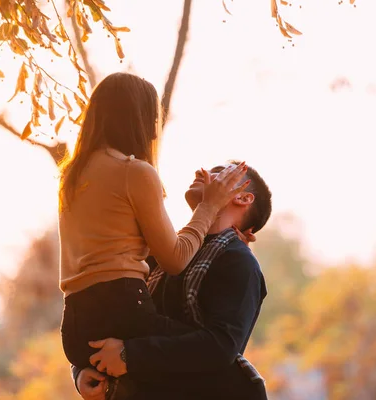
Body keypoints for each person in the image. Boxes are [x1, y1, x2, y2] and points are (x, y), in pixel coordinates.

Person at [58, 72, 250, 376]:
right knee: (220, 358)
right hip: (122, 310)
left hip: (75, 327)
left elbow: (123, 250)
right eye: (151, 120)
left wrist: (80, 370)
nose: (152, 133)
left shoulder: (72, 176)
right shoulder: (134, 171)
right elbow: (174, 260)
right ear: (135, 118)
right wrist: (209, 206)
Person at [73, 161, 272, 400]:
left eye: (219, 173)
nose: (201, 171)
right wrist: (83, 369)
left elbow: (220, 346)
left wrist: (131, 355)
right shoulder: (160, 252)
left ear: (243, 198)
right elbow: (116, 313)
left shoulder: (238, 262)